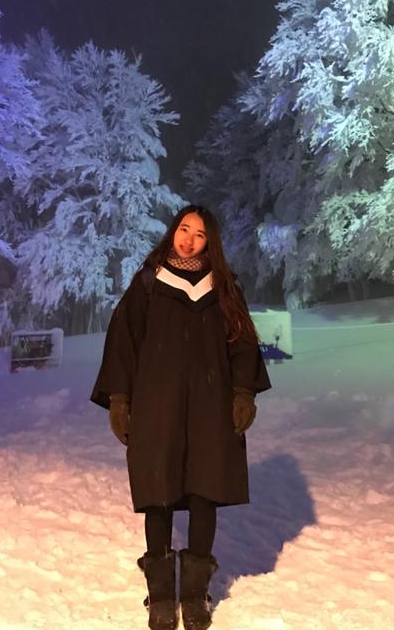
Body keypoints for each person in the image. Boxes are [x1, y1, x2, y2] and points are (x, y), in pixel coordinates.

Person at [90, 205, 271, 630]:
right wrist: (120, 398)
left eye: (200, 235)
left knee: (205, 491)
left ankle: (194, 595)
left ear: (211, 243)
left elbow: (243, 343)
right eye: (184, 230)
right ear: (173, 231)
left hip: (210, 407)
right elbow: (123, 341)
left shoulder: (223, 287)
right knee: (160, 492)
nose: (189, 240)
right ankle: (160, 596)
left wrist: (243, 392)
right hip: (158, 405)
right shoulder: (149, 283)